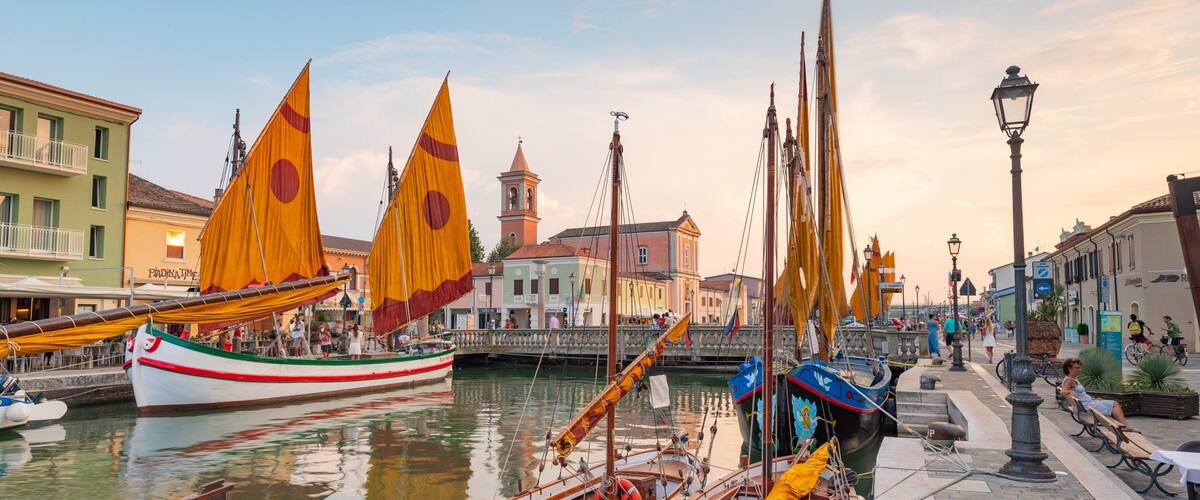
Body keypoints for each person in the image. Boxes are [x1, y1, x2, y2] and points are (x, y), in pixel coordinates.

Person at [1059, 358, 1132, 427]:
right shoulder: (1069, 380)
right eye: (1077, 368)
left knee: (1113, 405)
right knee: (1114, 404)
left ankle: (1120, 427)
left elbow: (1081, 394)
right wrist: (1069, 391)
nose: (1080, 370)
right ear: (1069, 368)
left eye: (1080, 368)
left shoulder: (1073, 379)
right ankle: (1125, 426)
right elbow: (1062, 392)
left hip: (1087, 403)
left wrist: (1093, 398)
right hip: (1086, 407)